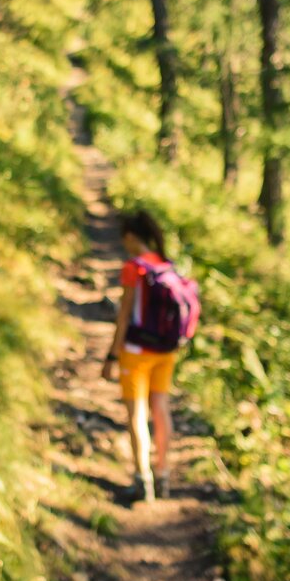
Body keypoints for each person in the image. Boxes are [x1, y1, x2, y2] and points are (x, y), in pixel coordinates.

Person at [100, 211, 178, 502]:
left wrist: (112, 354)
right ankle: (164, 473)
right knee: (161, 408)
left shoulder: (135, 268)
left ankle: (141, 478)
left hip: (137, 351)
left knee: (137, 415)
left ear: (131, 237)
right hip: (166, 351)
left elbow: (124, 316)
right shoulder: (166, 264)